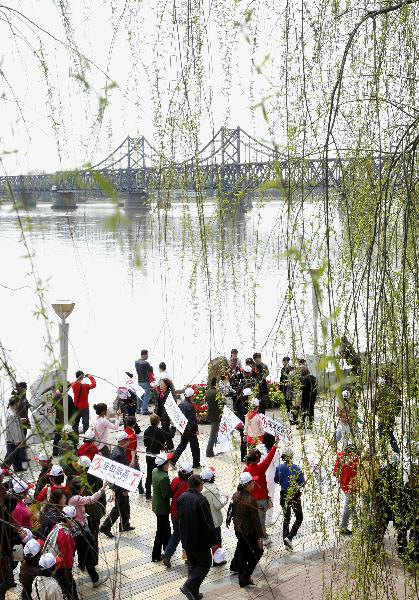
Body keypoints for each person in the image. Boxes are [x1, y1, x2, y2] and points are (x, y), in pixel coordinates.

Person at [177, 475, 217, 600]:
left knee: (192, 564)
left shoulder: (181, 498)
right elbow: (208, 523)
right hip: (199, 540)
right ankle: (188, 587)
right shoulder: (201, 500)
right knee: (205, 563)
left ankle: (193, 593)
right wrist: (214, 541)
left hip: (185, 538)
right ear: (198, 485)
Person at [68, 478, 108, 588]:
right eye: (82, 487)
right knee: (88, 552)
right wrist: (102, 489)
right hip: (81, 530)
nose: (84, 489)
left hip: (77, 528)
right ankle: (95, 579)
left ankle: (81, 566)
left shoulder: (70, 497)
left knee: (81, 551)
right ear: (79, 489)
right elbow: (91, 499)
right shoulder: (76, 499)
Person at [231, 472, 264, 587]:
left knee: (242, 553)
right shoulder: (250, 500)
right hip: (249, 531)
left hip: (238, 529)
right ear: (247, 485)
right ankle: (246, 575)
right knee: (259, 551)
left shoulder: (235, 495)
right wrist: (260, 536)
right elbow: (256, 521)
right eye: (252, 482)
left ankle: (242, 579)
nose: (254, 483)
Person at [99, 431, 134, 537]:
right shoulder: (118, 454)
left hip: (120, 485)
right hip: (120, 486)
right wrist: (124, 489)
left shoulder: (118, 450)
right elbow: (122, 474)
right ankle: (105, 527)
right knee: (118, 508)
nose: (129, 441)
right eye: (127, 439)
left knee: (125, 505)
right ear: (123, 441)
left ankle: (125, 524)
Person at [244, 441, 278, 544]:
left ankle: (255, 536)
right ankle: (264, 538)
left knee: (253, 520)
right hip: (262, 500)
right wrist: (274, 446)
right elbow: (269, 458)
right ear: (257, 459)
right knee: (261, 521)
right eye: (259, 458)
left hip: (250, 500)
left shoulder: (245, 471)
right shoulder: (261, 467)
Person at [43, 506, 78, 600]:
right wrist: (69, 568)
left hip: (56, 563)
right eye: (74, 519)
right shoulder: (65, 535)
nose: (75, 521)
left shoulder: (57, 526)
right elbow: (66, 556)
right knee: (70, 588)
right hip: (62, 567)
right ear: (69, 519)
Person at [162, 462, 193, 568]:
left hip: (174, 512)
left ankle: (167, 554)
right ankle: (187, 558)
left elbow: (171, 491)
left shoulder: (175, 480)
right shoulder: (189, 485)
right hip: (184, 516)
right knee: (186, 536)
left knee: (176, 534)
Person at [274, 448, 305, 550]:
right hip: (294, 494)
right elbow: (302, 483)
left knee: (286, 517)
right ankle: (290, 537)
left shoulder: (278, 468)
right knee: (299, 517)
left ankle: (285, 539)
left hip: (284, 493)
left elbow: (276, 480)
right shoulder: (297, 468)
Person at [200, 466, 228, 564]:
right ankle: (217, 561)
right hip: (214, 520)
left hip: (203, 520)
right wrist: (225, 498)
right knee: (216, 541)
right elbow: (217, 505)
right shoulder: (214, 490)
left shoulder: (200, 489)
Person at [333, 444, 359, 535]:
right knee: (348, 506)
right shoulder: (355, 459)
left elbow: (336, 473)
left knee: (351, 503)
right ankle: (343, 528)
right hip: (351, 486)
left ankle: (357, 524)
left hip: (343, 485)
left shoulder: (340, 456)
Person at [172, 388, 201, 469]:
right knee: (195, 447)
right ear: (190, 396)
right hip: (190, 430)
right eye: (193, 396)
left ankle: (173, 460)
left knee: (182, 445)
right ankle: (196, 464)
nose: (194, 397)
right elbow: (192, 421)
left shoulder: (181, 404)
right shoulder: (190, 406)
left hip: (183, 428)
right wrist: (196, 430)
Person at [151, 453, 172, 562]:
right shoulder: (164, 477)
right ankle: (156, 554)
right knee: (161, 531)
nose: (169, 464)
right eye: (167, 462)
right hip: (162, 508)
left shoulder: (155, 471)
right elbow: (166, 494)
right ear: (163, 465)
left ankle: (166, 550)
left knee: (166, 529)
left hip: (156, 504)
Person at [0, 495, 22, 598]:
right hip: (8, 549)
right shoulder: (6, 518)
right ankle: (8, 582)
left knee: (10, 566)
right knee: (9, 566)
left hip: (9, 548)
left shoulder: (5, 515)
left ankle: (10, 581)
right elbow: (9, 537)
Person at [143, 414, 168, 499]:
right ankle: (162, 492)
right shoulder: (160, 432)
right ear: (158, 422)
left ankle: (148, 494)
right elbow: (167, 438)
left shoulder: (146, 431)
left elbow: (145, 444)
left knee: (149, 475)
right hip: (159, 457)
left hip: (149, 455)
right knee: (163, 473)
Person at [4, 396, 26, 472]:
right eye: (17, 403)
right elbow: (13, 429)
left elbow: (14, 422)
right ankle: (3, 470)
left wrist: (20, 420)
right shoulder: (11, 414)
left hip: (13, 439)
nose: (18, 405)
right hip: (13, 439)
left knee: (15, 455)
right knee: (10, 456)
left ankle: (18, 468)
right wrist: (17, 441)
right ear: (15, 404)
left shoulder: (11, 411)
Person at [124, 416, 144, 494]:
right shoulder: (133, 436)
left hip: (124, 456)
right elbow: (133, 449)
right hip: (131, 458)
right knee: (138, 474)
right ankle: (140, 489)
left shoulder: (124, 432)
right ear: (134, 424)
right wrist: (134, 457)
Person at [12, 382, 30, 464]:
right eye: (25, 388)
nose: (26, 390)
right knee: (21, 440)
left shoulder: (23, 397)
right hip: (20, 422)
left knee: (23, 438)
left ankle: (22, 455)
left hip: (24, 421)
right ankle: (22, 457)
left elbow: (26, 405)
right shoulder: (16, 399)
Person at [155, 379, 175, 449]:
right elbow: (157, 404)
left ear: (166, 385)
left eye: (161, 384)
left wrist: (167, 416)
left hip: (165, 416)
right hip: (159, 414)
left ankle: (169, 447)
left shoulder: (169, 394)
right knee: (165, 431)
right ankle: (168, 446)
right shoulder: (160, 393)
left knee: (165, 430)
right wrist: (155, 413)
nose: (160, 385)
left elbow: (172, 406)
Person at [205, 378, 223, 458]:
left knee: (214, 433)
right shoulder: (217, 392)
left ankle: (215, 448)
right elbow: (221, 404)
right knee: (213, 434)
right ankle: (209, 451)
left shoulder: (208, 391)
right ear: (216, 384)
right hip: (216, 415)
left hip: (210, 414)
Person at [135, 349, 153, 415]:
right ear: (144, 355)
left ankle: (138, 409)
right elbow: (150, 371)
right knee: (146, 396)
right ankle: (144, 410)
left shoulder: (136, 362)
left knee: (139, 396)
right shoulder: (146, 363)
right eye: (147, 355)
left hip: (139, 381)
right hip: (145, 381)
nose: (148, 356)